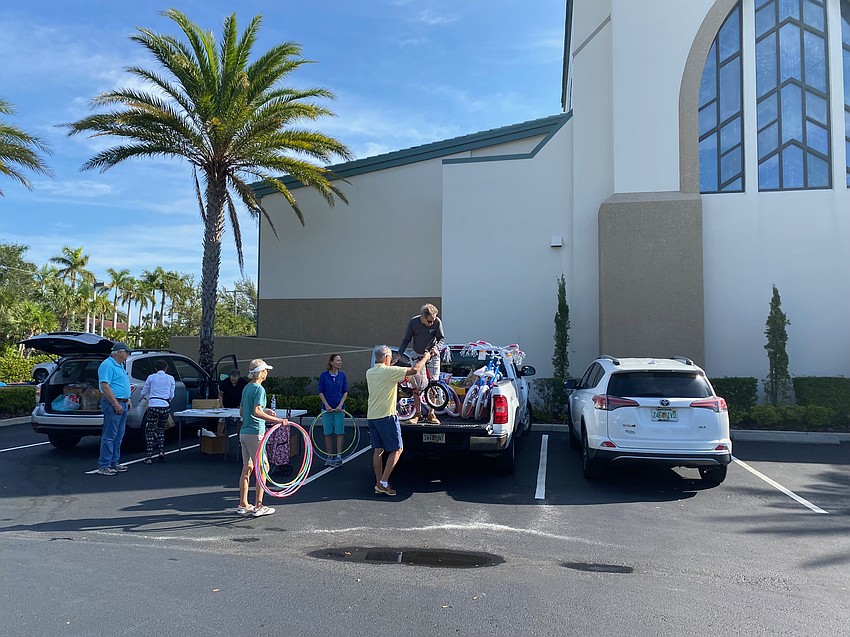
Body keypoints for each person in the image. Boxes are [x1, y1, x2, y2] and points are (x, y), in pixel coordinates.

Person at [366, 345, 431, 496]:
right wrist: (425, 358)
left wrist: (392, 366)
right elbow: (414, 370)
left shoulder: (370, 372)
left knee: (378, 450)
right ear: (387, 358)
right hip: (386, 416)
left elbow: (386, 376)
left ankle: (378, 483)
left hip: (372, 416)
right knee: (397, 449)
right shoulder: (390, 372)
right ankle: (384, 483)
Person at [238, 358, 286, 517]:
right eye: (265, 370)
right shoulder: (259, 389)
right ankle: (259, 505)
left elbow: (243, 411)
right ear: (261, 372)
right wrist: (278, 420)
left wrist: (266, 411)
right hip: (255, 433)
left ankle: (243, 504)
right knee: (263, 468)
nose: (267, 373)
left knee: (247, 468)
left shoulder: (247, 388)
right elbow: (257, 412)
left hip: (244, 432)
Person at [394, 303, 446, 424]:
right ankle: (418, 414)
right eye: (429, 321)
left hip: (432, 355)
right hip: (417, 355)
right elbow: (406, 339)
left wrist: (436, 348)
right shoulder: (413, 323)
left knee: (433, 384)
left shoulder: (437, 322)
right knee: (416, 385)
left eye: (433, 320)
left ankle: (431, 414)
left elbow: (441, 339)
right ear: (422, 317)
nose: (431, 323)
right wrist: (399, 354)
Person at [95, 342, 132, 476]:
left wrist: (127, 399)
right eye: (127, 352)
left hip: (122, 402)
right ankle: (104, 465)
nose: (128, 354)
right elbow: (105, 386)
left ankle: (114, 462)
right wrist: (115, 403)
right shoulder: (108, 365)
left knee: (118, 435)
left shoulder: (120, 365)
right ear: (119, 352)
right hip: (113, 403)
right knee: (110, 435)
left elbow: (121, 384)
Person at [140, 359, 175, 464]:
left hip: (153, 405)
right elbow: (171, 395)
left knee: (150, 430)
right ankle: (161, 451)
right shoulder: (170, 378)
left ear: (155, 368)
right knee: (161, 429)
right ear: (166, 368)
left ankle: (149, 456)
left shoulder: (151, 377)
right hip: (165, 405)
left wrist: (141, 397)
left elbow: (145, 390)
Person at [318, 353, 349, 468]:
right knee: (328, 433)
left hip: (339, 410)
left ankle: (339, 455)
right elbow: (321, 392)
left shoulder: (342, 376)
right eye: (337, 360)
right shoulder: (324, 376)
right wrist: (326, 405)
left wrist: (340, 404)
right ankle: (329, 456)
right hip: (327, 410)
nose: (340, 362)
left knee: (339, 432)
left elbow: (345, 392)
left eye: (340, 360)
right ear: (331, 362)